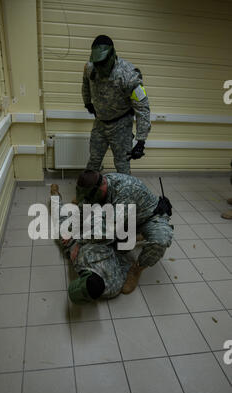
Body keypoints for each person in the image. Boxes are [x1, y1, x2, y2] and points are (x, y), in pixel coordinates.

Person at [75, 170, 174, 291]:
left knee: (160, 240)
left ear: (100, 188)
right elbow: (84, 205)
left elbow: (108, 229)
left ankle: (137, 269)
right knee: (119, 247)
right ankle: (136, 236)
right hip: (128, 219)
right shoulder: (98, 183)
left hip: (149, 218)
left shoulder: (124, 190)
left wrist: (79, 242)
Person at [50, 184, 137, 303]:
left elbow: (125, 266)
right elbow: (125, 264)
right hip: (96, 237)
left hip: (84, 241)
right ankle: (75, 206)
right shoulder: (113, 288)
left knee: (59, 223)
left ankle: (55, 196)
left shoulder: (112, 290)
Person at [82, 35, 151, 175]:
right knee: (94, 161)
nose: (99, 66)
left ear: (112, 55)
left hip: (121, 125)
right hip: (100, 123)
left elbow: (142, 108)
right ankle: (88, 194)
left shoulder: (128, 75)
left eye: (103, 62)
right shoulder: (90, 68)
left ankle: (124, 196)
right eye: (97, 62)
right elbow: (85, 84)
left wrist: (141, 140)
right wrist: (87, 102)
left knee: (122, 164)